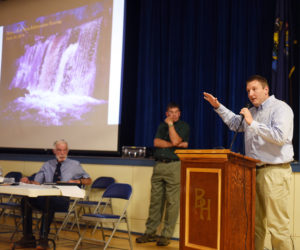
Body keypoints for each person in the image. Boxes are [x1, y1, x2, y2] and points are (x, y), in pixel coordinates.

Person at [203, 75, 294, 250]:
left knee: (278, 227)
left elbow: (280, 137)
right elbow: (235, 123)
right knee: (255, 224)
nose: (251, 94)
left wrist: (252, 124)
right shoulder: (251, 111)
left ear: (266, 89)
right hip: (253, 172)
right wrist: (218, 106)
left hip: (274, 172)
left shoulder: (281, 108)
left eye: (254, 89)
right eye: (248, 91)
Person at [12, 139, 92, 250]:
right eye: (59, 150)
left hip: (62, 200)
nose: (62, 153)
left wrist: (79, 181)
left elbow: (89, 180)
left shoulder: (75, 165)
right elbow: (37, 182)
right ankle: (28, 237)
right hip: (46, 196)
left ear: (67, 151)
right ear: (54, 151)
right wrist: (28, 181)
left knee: (48, 201)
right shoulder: (47, 165)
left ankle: (43, 239)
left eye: (64, 150)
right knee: (25, 200)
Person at [136, 102, 190, 246]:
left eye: (176, 112)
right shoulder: (161, 126)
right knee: (155, 202)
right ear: (167, 114)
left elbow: (175, 139)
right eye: (171, 112)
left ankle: (166, 235)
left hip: (174, 166)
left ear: (179, 113)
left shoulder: (184, 126)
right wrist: (176, 144)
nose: (174, 114)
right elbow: (156, 142)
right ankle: (150, 232)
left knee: (172, 202)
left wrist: (171, 127)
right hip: (159, 165)